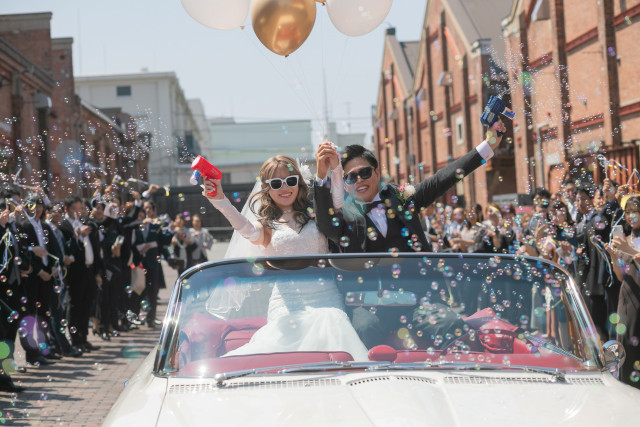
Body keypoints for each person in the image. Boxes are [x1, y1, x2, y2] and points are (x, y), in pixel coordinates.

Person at [202, 155, 368, 360]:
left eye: (290, 181)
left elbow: (338, 200)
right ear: (266, 189)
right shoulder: (266, 226)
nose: (284, 188)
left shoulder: (318, 213)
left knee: (333, 325)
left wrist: (335, 169)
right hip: (286, 303)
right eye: (276, 183)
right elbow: (245, 228)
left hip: (327, 298)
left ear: (298, 182)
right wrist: (221, 201)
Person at [313, 121, 504, 254]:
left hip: (417, 293)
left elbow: (443, 179)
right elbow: (325, 225)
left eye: (364, 173)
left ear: (377, 173)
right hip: (367, 301)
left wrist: (489, 145)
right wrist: (321, 176)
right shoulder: (342, 214)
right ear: (345, 184)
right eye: (351, 177)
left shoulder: (401, 196)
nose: (359, 180)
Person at [606, 195, 640, 388]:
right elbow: (621, 275)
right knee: (625, 348)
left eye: (634, 211)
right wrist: (613, 257)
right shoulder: (627, 238)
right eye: (627, 212)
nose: (630, 216)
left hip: (639, 301)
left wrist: (628, 249)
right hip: (626, 298)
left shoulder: (629, 243)